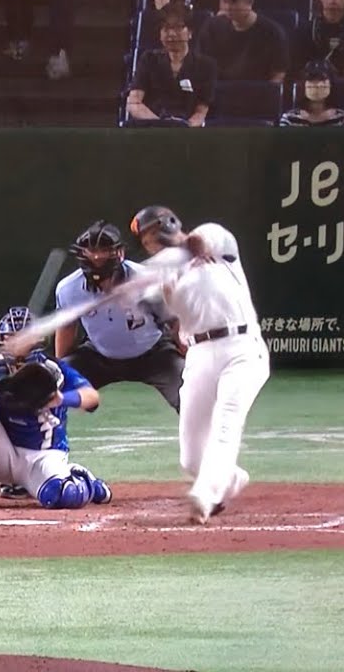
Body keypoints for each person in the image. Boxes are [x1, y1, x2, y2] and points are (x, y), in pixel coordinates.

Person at [127, 206, 270, 525]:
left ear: (169, 224)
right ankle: (229, 477)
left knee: (226, 422)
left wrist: (178, 254)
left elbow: (198, 243)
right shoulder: (163, 275)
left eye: (153, 234)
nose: (152, 243)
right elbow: (157, 302)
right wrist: (130, 292)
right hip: (199, 354)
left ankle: (205, 495)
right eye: (146, 241)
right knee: (192, 459)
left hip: (242, 348)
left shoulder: (215, 238)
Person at [0, 306, 112, 510]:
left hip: (43, 455)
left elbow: (92, 398)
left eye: (21, 337)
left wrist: (61, 399)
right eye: (9, 336)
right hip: (4, 452)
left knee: (65, 496)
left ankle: (86, 482)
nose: (13, 342)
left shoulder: (53, 369)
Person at [53, 220, 185, 413]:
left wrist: (190, 359)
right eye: (91, 250)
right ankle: (42, 431)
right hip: (99, 354)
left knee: (190, 390)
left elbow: (175, 322)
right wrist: (62, 369)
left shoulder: (147, 280)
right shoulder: (69, 288)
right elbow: (66, 328)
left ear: (119, 253)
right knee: (52, 383)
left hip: (153, 352)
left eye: (104, 250)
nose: (97, 256)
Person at [278, 59, 344, 127]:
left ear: (331, 84)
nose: (317, 84)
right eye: (311, 79)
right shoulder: (289, 119)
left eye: (322, 79)